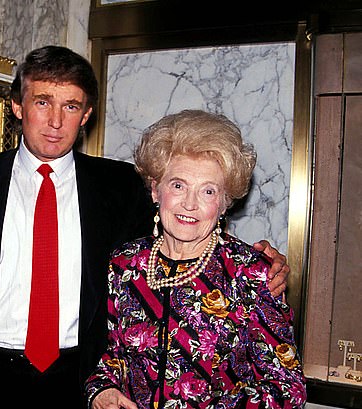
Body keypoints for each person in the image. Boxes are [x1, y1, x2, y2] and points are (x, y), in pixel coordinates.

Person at [0, 46, 290, 408]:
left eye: (71, 106)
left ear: (86, 116)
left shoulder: (123, 185)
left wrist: (263, 262)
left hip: (81, 380)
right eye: (42, 101)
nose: (54, 120)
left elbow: (187, 229)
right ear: (18, 105)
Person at [85, 110, 306, 409]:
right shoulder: (126, 264)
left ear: (225, 203)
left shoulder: (250, 273)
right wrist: (101, 390)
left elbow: (288, 390)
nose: (190, 204)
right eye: (178, 185)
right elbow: (110, 355)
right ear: (155, 190)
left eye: (208, 191)